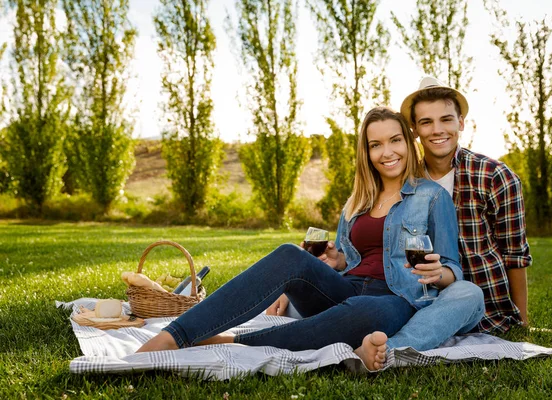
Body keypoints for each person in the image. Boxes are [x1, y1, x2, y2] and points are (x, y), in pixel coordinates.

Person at [137, 107, 484, 370]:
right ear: (367, 152)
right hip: (345, 290)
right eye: (375, 144)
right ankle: (175, 335)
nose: (387, 152)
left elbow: (453, 268)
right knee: (290, 254)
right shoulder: (356, 201)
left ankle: (230, 339)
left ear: (407, 143)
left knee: (366, 311)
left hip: (395, 298)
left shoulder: (432, 197)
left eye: (395, 140)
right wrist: (335, 261)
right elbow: (348, 259)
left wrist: (441, 273)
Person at [394, 77, 532, 341]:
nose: (437, 130)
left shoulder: (494, 176)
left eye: (446, 119)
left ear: (461, 123)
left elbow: (515, 255)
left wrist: (522, 321)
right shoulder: (405, 181)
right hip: (422, 305)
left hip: (486, 310)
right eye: (426, 122)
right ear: (414, 130)